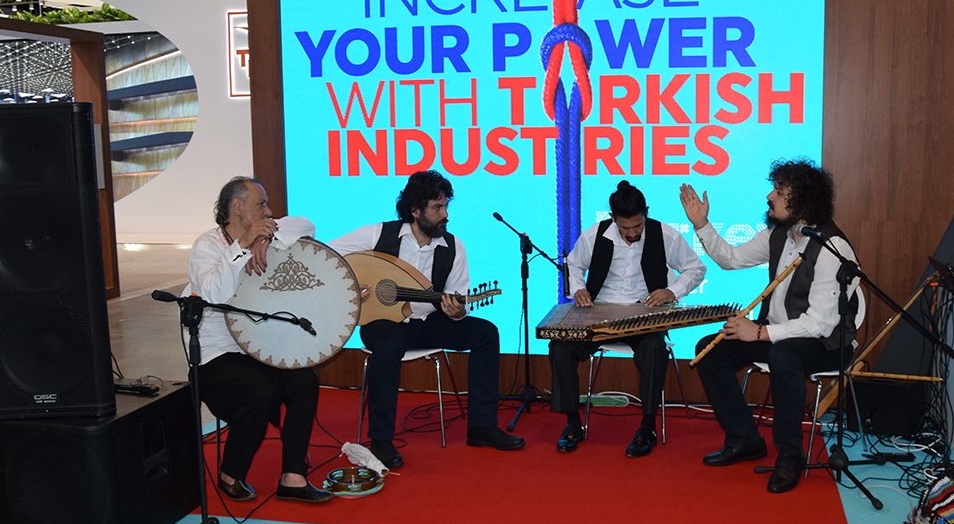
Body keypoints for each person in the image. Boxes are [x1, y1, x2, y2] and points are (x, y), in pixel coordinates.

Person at [681, 159, 859, 493]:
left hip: (826, 344)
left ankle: (790, 454)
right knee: (710, 350)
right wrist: (701, 224)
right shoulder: (780, 233)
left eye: (778, 191)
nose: (769, 196)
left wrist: (761, 333)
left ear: (802, 200)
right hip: (778, 335)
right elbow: (732, 259)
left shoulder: (831, 247)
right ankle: (744, 439)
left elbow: (820, 323)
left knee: (784, 356)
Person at [330, 170, 524, 468]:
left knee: (486, 333)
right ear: (415, 210)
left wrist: (458, 311)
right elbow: (327, 255)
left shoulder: (453, 247)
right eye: (437, 207)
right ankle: (381, 440)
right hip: (382, 323)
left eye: (446, 206)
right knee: (389, 345)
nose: (445, 214)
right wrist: (351, 287)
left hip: (429, 322)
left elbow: (457, 297)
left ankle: (481, 426)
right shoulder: (378, 234)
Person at [182, 176, 332, 503]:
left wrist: (263, 240)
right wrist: (241, 247)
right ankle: (230, 472)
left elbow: (305, 225)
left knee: (304, 380)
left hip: (257, 350)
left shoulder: (267, 234)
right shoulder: (207, 247)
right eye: (261, 204)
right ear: (237, 207)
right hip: (216, 356)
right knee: (259, 391)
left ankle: (293, 476)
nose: (269, 210)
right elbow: (213, 296)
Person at [549, 181, 706, 457]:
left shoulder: (664, 234)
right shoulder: (595, 235)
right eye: (625, 228)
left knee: (655, 349)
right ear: (613, 218)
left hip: (642, 314)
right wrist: (579, 288)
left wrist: (672, 291)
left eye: (638, 226)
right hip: (599, 314)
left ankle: (647, 427)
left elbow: (696, 268)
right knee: (560, 346)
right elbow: (573, 264)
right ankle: (572, 423)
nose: (633, 233)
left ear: (646, 212)